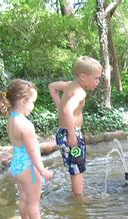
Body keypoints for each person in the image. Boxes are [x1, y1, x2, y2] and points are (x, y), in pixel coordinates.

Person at [0, 79, 53, 219]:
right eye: (32, 102)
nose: (33, 106)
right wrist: (42, 170)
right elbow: (33, 151)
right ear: (23, 101)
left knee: (23, 198)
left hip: (17, 166)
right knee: (34, 202)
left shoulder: (11, 120)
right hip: (29, 168)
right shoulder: (26, 125)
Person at [48, 56, 102, 196]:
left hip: (62, 133)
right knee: (77, 168)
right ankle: (79, 201)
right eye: (96, 78)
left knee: (74, 167)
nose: (98, 81)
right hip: (71, 135)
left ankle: (76, 194)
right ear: (83, 77)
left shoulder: (69, 85)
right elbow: (67, 110)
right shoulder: (80, 92)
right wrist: (72, 135)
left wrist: (59, 105)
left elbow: (52, 87)